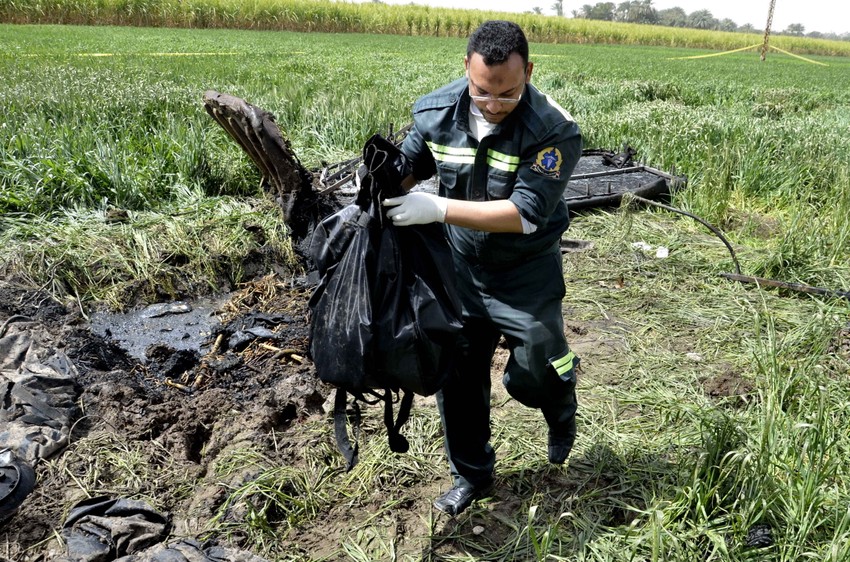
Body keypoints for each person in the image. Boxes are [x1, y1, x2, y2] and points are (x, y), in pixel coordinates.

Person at [382, 20, 582, 517]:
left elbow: (523, 213)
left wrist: (439, 209)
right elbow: (411, 164)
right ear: (466, 70)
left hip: (524, 272)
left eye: (508, 94)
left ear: (529, 72)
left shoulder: (553, 129)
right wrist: (385, 182)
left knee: (537, 366)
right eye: (482, 92)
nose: (493, 104)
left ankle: (559, 405)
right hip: (459, 272)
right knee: (460, 377)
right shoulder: (435, 111)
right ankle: (470, 475)